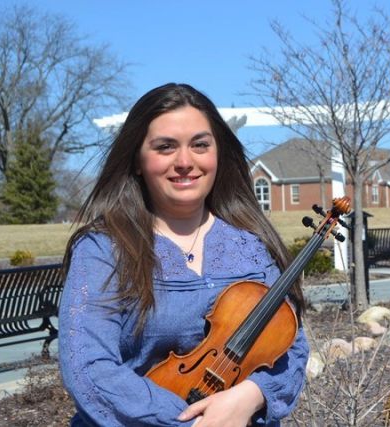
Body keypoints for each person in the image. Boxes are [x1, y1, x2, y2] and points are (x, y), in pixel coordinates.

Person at [59, 83, 309, 427]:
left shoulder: (250, 245)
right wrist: (191, 422)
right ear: (136, 160)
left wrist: (252, 395)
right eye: (165, 147)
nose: (185, 162)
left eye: (200, 145)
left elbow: (291, 349)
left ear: (218, 154)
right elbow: (89, 368)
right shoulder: (104, 248)